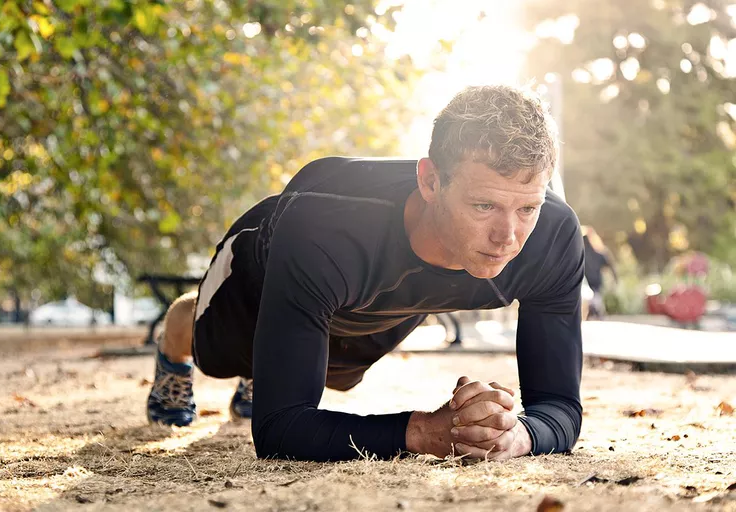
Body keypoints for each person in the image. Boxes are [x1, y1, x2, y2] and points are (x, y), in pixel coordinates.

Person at [146, 85, 585, 463]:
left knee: (335, 376)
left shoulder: (552, 237)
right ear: (430, 183)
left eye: (527, 207)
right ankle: (183, 338)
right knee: (218, 353)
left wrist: (519, 435)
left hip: (376, 301)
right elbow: (278, 432)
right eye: (483, 206)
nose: (507, 236)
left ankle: (270, 366)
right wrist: (426, 432)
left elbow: (560, 407)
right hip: (267, 269)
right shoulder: (324, 230)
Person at [582, 226, 618, 319]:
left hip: (586, 284)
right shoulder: (599, 253)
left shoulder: (579, 254)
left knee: (592, 302)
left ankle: (594, 311)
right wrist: (615, 279)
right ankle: (596, 312)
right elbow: (610, 265)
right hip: (594, 283)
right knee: (595, 301)